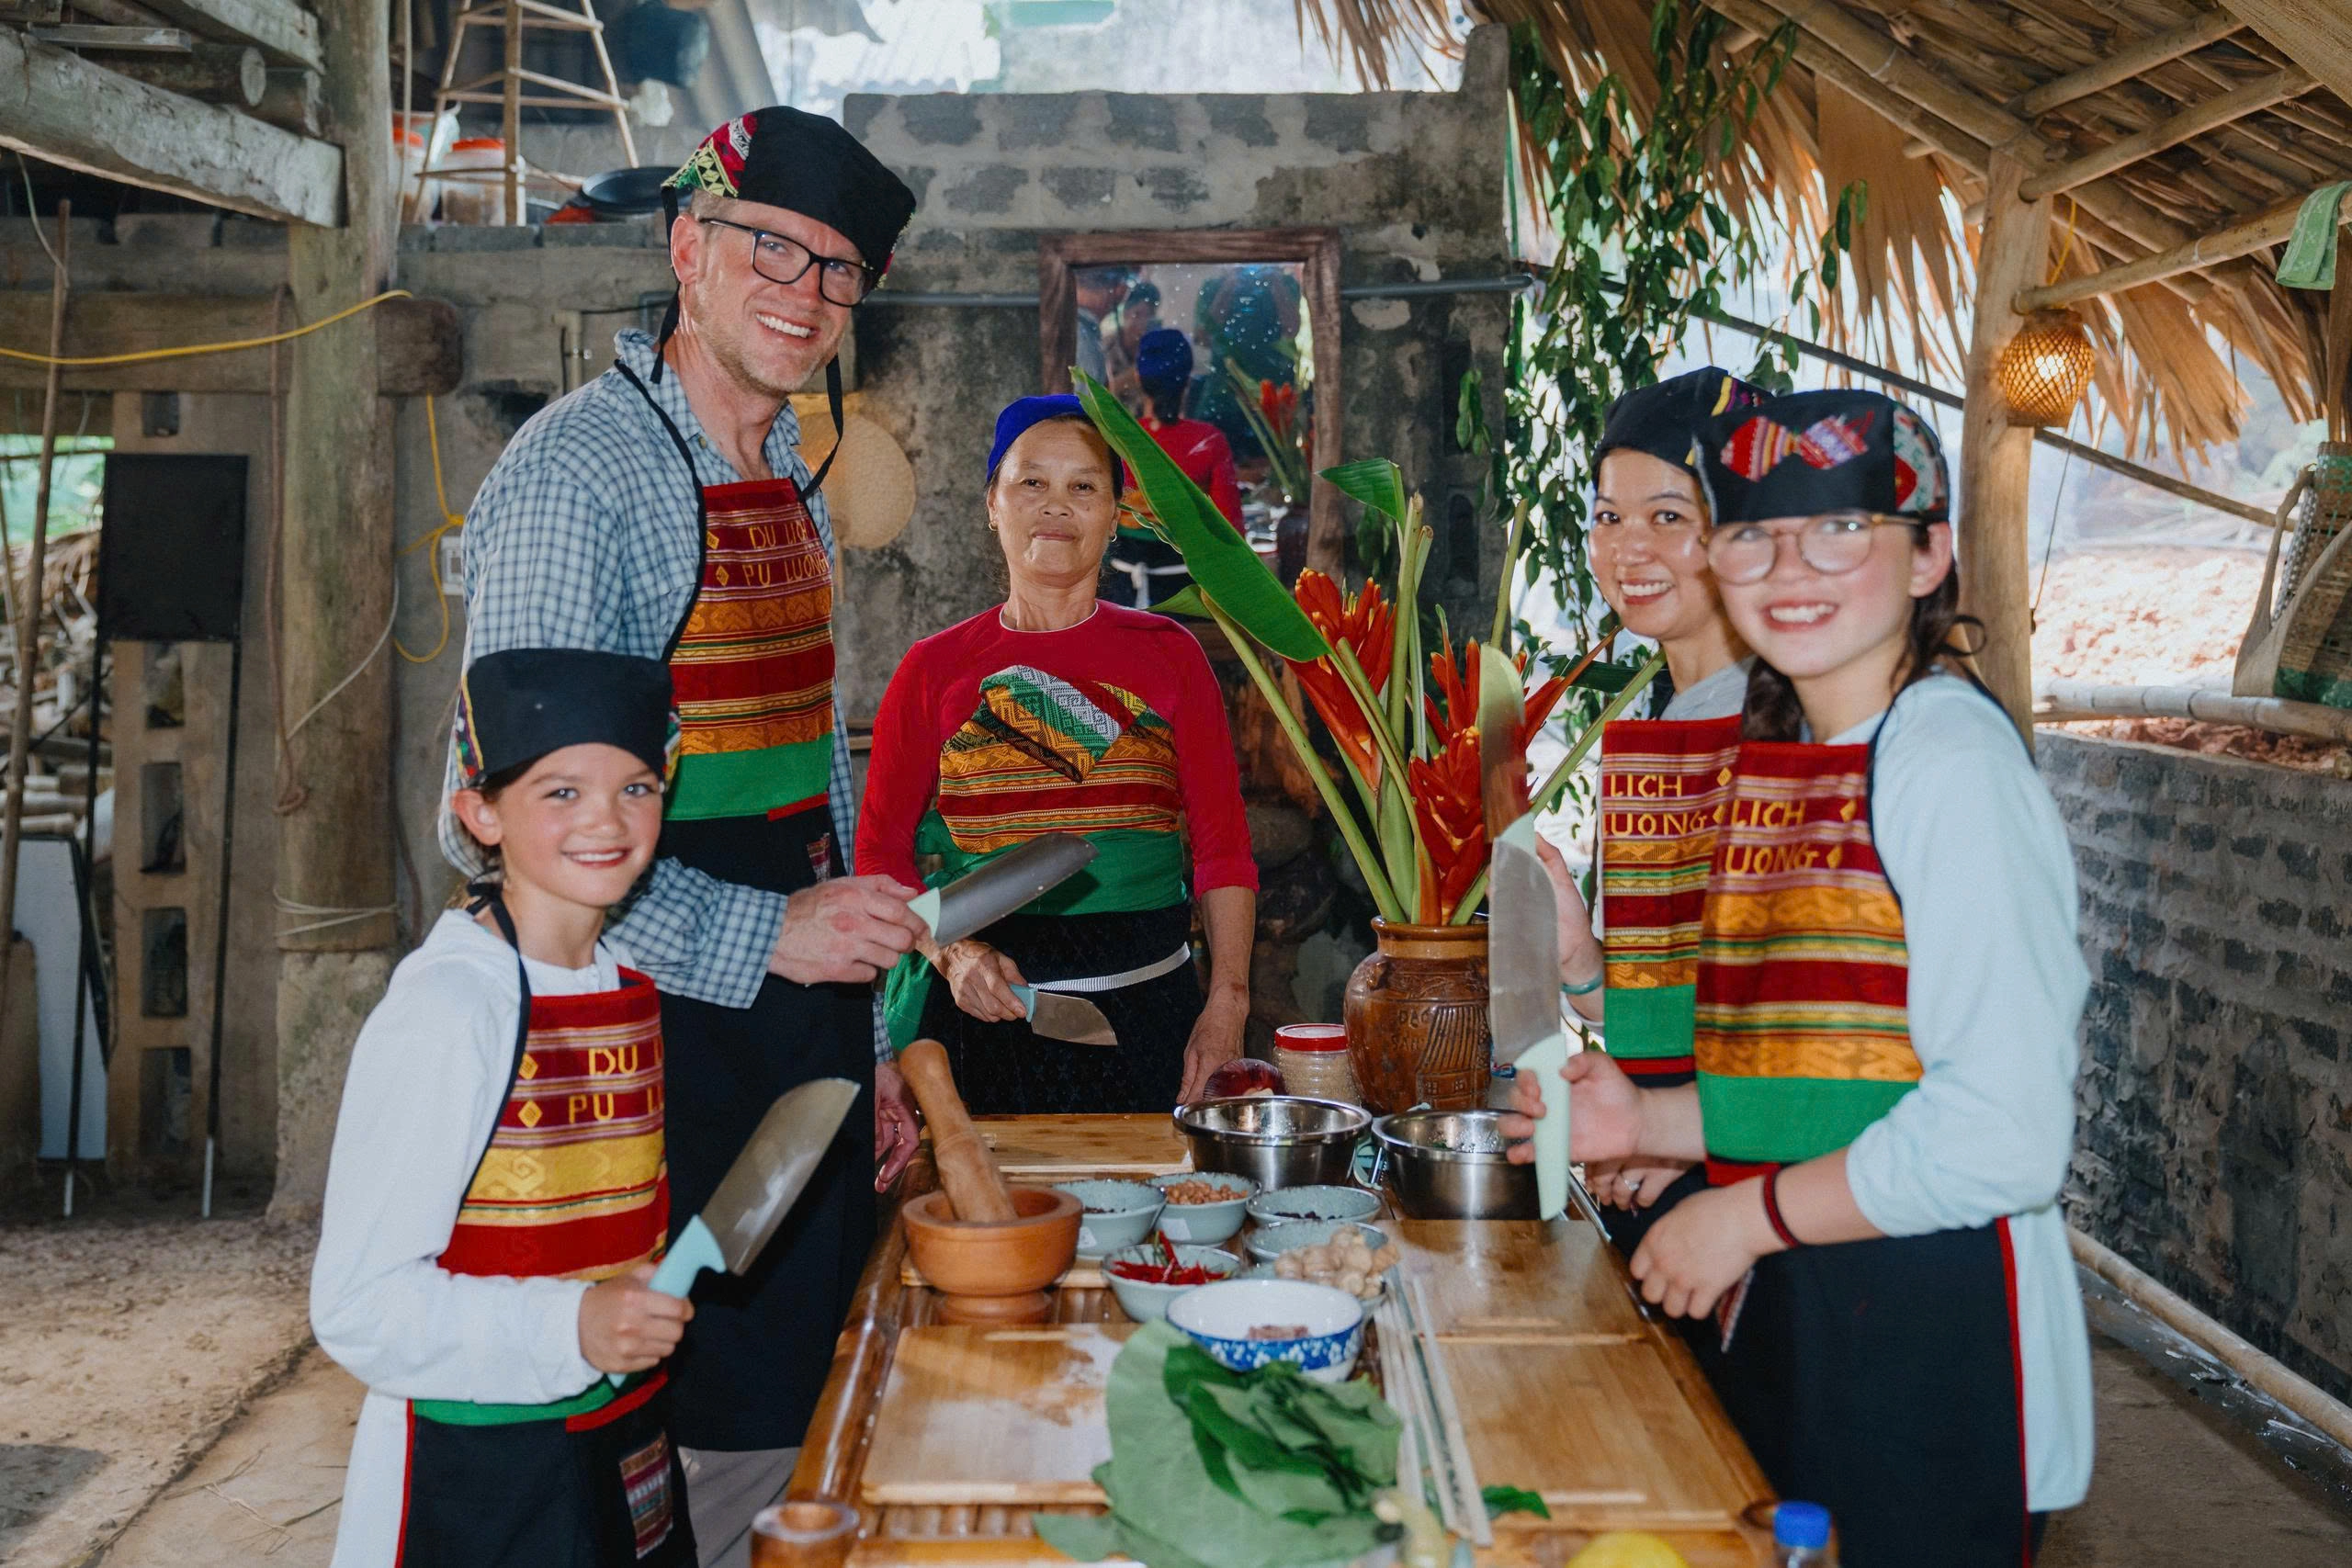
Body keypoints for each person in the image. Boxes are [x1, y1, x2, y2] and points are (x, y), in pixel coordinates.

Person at [448, 107, 930, 1568]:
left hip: (791, 1015)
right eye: (769, 246)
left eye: (839, 269)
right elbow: (517, 839)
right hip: (642, 1023)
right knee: (682, 1419)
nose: (804, 289)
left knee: (806, 1401)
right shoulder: (577, 474)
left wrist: (861, 1025)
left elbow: (810, 767)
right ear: (685, 251)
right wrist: (766, 937)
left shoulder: (792, 477)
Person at [1506, 390, 2093, 1566]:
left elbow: (2004, 1136)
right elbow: (1836, 1068)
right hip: (1809, 1300)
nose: (1790, 568)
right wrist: (1656, 1115)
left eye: (1841, 530)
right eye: (1754, 534)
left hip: (1933, 1325)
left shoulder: (1947, 761)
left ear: (1929, 554)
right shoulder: (1811, 752)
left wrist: (1747, 1213)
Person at [315, 649, 696, 1568]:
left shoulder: (619, 984)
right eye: (560, 792)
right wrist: (567, 1326)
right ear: (479, 812)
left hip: (622, 1441)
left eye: (637, 787)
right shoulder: (450, 1011)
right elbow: (357, 1307)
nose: (607, 819)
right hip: (483, 1473)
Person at [856, 396, 1258, 1112]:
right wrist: (953, 953)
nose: (1056, 506)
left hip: (1147, 1026)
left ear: (1115, 514)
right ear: (993, 505)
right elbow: (882, 856)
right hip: (980, 1029)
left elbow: (1224, 848)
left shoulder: (1172, 657)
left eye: (1083, 487)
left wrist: (1226, 1004)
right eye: (1031, 483)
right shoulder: (932, 670)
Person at [1541, 367, 1764, 1255]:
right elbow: (1684, 1006)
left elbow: (1813, 1029)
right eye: (1608, 516)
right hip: (1678, 1174)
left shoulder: (1778, 726)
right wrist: (1582, 964)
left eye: (1669, 516)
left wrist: (1678, 1140)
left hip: (1762, 1202)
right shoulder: (1667, 714)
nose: (1627, 548)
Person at [1102, 328, 1242, 610]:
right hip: (1188, 597)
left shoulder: (1115, 441)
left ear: (1139, 378)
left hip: (1117, 594)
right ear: (1188, 380)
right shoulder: (1209, 442)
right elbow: (1232, 534)